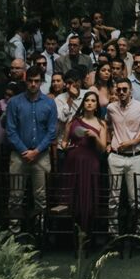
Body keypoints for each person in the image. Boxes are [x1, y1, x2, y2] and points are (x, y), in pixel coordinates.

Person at [5, 67, 58, 229]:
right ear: (25, 81)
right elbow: (10, 130)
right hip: (18, 155)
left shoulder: (49, 103)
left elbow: (52, 132)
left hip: (40, 155)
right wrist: (24, 151)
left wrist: (36, 151)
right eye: (30, 81)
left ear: (41, 82)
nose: (33, 84)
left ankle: (39, 229)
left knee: (41, 196)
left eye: (36, 81)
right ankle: (14, 230)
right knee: (15, 195)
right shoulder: (14, 102)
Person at [106, 78, 140, 235]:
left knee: (135, 199)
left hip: (135, 157)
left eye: (124, 89)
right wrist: (108, 142)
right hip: (116, 157)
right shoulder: (111, 108)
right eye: (118, 89)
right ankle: (113, 234)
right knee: (114, 198)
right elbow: (107, 125)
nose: (121, 92)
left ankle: (137, 233)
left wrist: (133, 142)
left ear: (131, 90)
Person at [58, 88, 107, 236]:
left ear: (97, 105)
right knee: (73, 194)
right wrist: (67, 147)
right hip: (73, 161)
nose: (90, 103)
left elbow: (103, 149)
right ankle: (69, 231)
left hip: (91, 162)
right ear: (83, 103)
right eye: (87, 100)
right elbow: (64, 142)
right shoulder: (73, 121)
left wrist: (94, 136)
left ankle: (88, 231)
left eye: (93, 101)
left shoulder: (101, 124)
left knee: (89, 194)